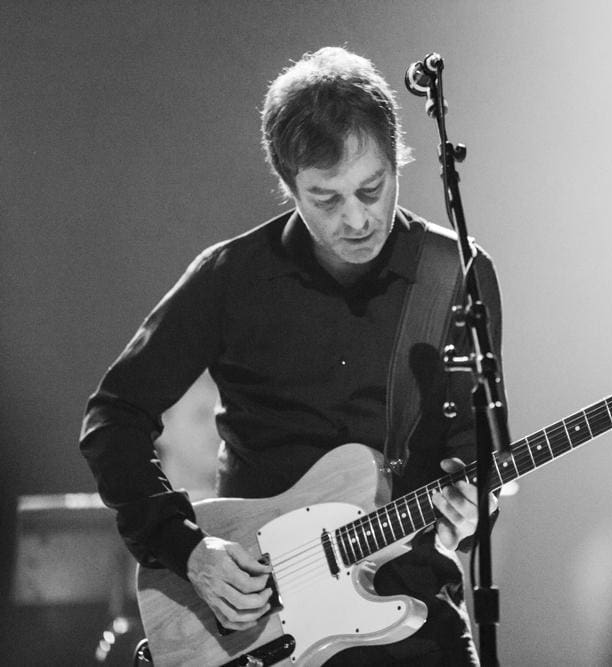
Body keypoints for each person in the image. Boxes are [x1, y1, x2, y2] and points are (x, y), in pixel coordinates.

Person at [80, 46, 503, 665]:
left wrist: (473, 509)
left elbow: (474, 444)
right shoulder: (232, 277)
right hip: (257, 630)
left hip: (414, 622)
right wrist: (186, 547)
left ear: (398, 160)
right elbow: (113, 416)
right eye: (325, 199)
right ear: (289, 186)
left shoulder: (455, 274)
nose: (356, 218)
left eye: (372, 188)